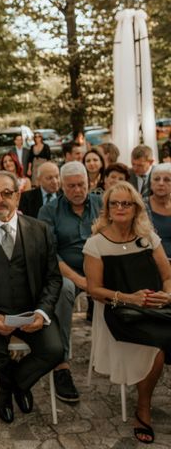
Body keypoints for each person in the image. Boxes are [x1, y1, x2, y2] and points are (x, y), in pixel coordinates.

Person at [0, 171, 63, 424]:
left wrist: (42, 313)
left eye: (6, 193)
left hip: (32, 313)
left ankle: (8, 385)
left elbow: (53, 278)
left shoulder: (40, 230)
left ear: (17, 196)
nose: (0, 199)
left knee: (55, 351)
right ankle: (15, 385)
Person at [84, 181, 171, 444]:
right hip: (120, 314)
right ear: (107, 209)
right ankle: (143, 407)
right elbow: (94, 290)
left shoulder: (149, 239)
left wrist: (167, 294)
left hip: (156, 309)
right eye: (115, 203)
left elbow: (167, 276)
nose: (121, 208)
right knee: (157, 349)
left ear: (135, 208)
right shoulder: (96, 244)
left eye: (126, 203)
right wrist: (128, 298)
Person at [38, 161, 103, 402]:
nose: (78, 190)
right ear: (62, 187)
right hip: (66, 271)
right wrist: (80, 280)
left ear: (90, 182)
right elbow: (49, 254)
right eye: (72, 186)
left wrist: (97, 278)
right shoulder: (50, 211)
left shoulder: (102, 203)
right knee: (63, 290)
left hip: (102, 268)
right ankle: (61, 364)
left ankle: (123, 352)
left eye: (82, 185)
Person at [145, 164, 171, 258]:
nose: (161, 183)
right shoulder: (141, 206)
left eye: (167, 180)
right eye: (156, 179)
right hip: (150, 260)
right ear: (151, 183)